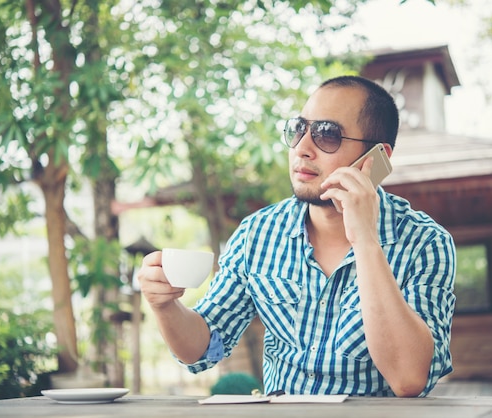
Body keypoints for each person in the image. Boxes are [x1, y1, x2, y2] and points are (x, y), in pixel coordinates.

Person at [138, 75, 456, 398]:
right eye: (298, 129)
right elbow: (206, 347)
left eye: (327, 135)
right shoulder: (257, 235)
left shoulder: (425, 243)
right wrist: (164, 306)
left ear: (376, 157)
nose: (302, 148)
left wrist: (366, 242)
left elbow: (409, 378)